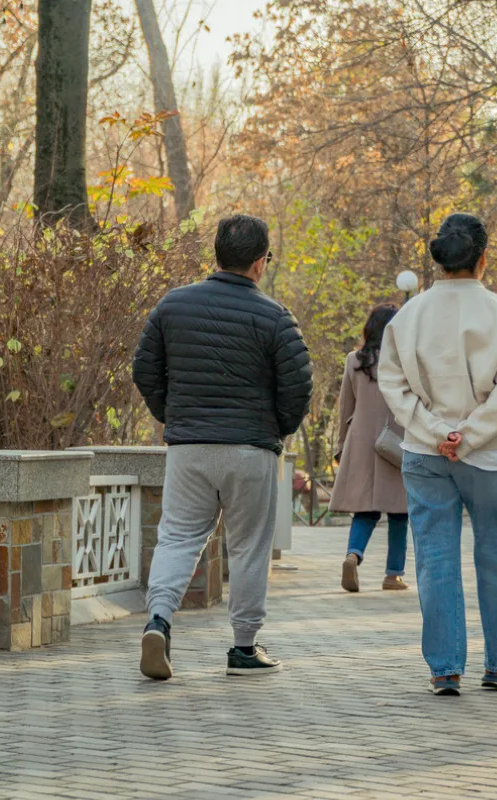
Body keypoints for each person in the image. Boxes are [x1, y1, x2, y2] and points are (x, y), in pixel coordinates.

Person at [132, 214, 312, 680]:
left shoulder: (172, 306)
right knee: (250, 546)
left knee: (178, 537)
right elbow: (298, 387)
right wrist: (275, 431)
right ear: (259, 262)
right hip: (250, 449)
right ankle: (243, 649)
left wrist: (173, 416)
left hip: (189, 447)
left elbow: (144, 370)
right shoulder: (275, 316)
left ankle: (159, 621)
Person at [378, 213, 497, 696]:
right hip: (490, 455)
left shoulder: (407, 317)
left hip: (425, 452)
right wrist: (469, 435)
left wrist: (436, 430)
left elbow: (394, 385)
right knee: (496, 553)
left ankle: (445, 668)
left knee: (435, 556)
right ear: (483, 257)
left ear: (440, 260)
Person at [330, 304, 411, 593]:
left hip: (361, 441)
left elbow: (345, 407)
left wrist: (341, 444)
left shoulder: (355, 360)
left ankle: (353, 554)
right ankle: (393, 575)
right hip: (397, 443)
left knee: (365, 511)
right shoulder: (404, 361)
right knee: (400, 511)